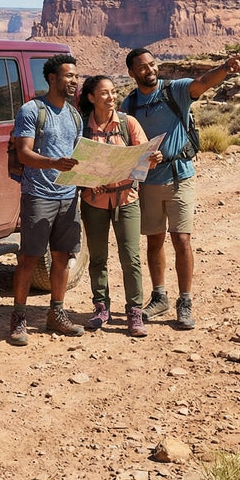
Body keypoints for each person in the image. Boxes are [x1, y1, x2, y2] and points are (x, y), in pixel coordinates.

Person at [122, 48, 240, 330]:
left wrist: (224, 68)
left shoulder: (174, 90)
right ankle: (159, 296)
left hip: (179, 177)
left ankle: (185, 301)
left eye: (152, 64)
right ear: (132, 73)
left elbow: (202, 82)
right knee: (154, 241)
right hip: (148, 182)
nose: (149, 70)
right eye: (142, 67)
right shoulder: (129, 105)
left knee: (182, 240)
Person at [7, 53, 84, 346]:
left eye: (76, 76)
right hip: (38, 195)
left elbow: (78, 155)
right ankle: (18, 317)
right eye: (68, 76)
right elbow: (24, 153)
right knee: (29, 258)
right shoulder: (32, 110)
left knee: (62, 258)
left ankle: (56, 313)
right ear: (52, 79)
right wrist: (54, 163)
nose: (74, 81)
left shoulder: (75, 114)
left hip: (68, 195)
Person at [77, 75, 160, 338]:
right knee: (98, 258)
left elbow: (145, 161)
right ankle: (101, 308)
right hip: (94, 202)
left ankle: (134, 311)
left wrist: (153, 157)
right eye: (104, 93)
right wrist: (90, 181)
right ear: (91, 98)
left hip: (126, 201)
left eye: (113, 92)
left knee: (131, 258)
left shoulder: (128, 123)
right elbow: (75, 165)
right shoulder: (82, 128)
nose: (111, 97)